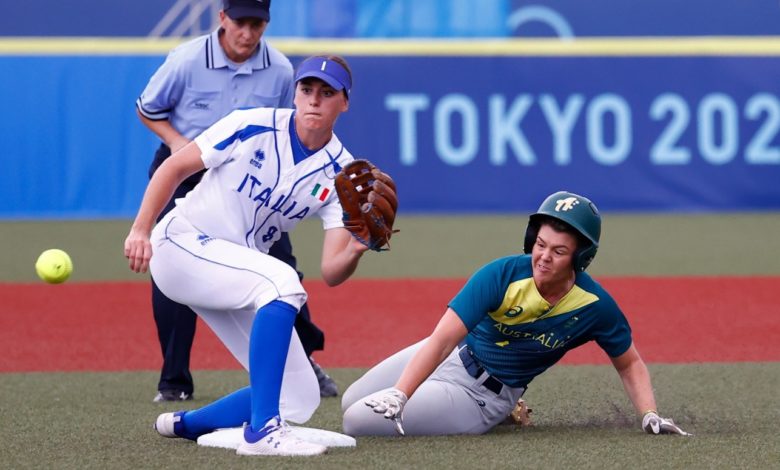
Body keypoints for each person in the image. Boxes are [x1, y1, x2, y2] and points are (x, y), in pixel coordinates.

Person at [125, 55, 367, 456]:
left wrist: (357, 248)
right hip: (182, 243)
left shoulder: (342, 171)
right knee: (282, 281)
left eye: (327, 93)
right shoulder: (251, 123)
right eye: (307, 89)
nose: (314, 100)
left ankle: (184, 424)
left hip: (231, 270)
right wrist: (140, 228)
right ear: (294, 93)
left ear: (344, 102)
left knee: (299, 396)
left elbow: (331, 270)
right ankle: (263, 431)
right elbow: (174, 168)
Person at [341, 191, 691, 437]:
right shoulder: (502, 274)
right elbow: (443, 338)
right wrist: (401, 394)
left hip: (480, 399)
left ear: (580, 258)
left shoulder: (593, 305)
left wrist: (649, 415)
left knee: (356, 421)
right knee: (350, 399)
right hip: (451, 356)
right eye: (540, 244)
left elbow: (629, 362)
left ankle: (502, 413)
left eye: (558, 251)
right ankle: (415, 395)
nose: (543, 256)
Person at [135, 0, 337, 402]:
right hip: (187, 166)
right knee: (170, 266)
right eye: (241, 22)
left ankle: (305, 359)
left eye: (258, 24)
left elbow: (288, 126)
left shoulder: (280, 69)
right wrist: (178, 145)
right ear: (222, 18)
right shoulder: (187, 59)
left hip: (248, 173)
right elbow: (148, 109)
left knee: (281, 264)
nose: (248, 33)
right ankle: (174, 379)